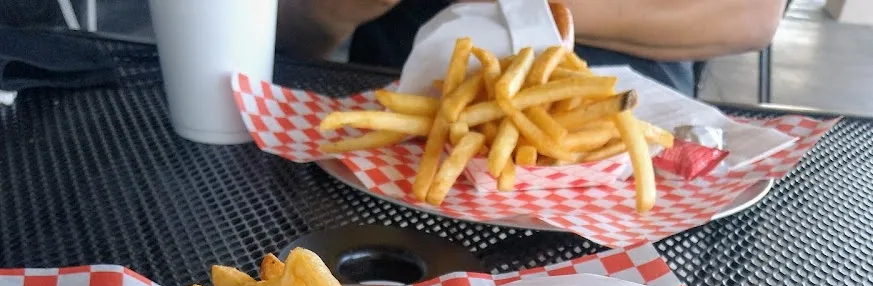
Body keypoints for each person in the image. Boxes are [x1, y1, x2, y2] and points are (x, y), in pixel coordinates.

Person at [277, 0, 784, 95]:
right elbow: (293, 36)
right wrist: (332, 10)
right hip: (390, 161)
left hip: (629, 170)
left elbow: (750, 16)